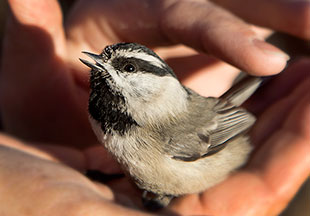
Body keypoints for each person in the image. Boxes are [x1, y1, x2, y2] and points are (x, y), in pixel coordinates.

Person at [0, 0, 309, 215]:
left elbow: (234, 122)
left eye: (128, 69)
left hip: (220, 131)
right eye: (105, 60)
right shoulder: (103, 108)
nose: (101, 67)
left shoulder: (166, 131)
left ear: (159, 85)